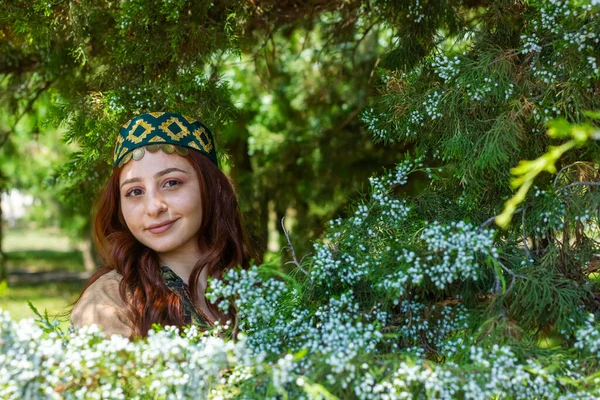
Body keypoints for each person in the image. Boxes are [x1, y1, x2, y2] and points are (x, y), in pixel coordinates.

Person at [71, 112, 257, 338]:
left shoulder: (252, 290)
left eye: (171, 183)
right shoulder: (110, 300)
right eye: (135, 192)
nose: (153, 207)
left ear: (211, 188)